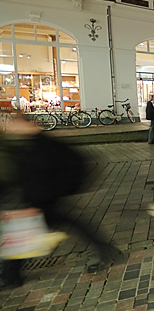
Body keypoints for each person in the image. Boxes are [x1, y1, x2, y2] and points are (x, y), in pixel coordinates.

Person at [0, 117, 121, 287]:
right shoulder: (33, 143)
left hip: (41, 201)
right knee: (72, 223)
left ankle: (10, 276)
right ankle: (106, 249)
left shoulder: (41, 146)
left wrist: (34, 204)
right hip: (43, 200)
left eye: (15, 123)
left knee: (23, 234)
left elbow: (39, 177)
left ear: (27, 124)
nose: (11, 127)